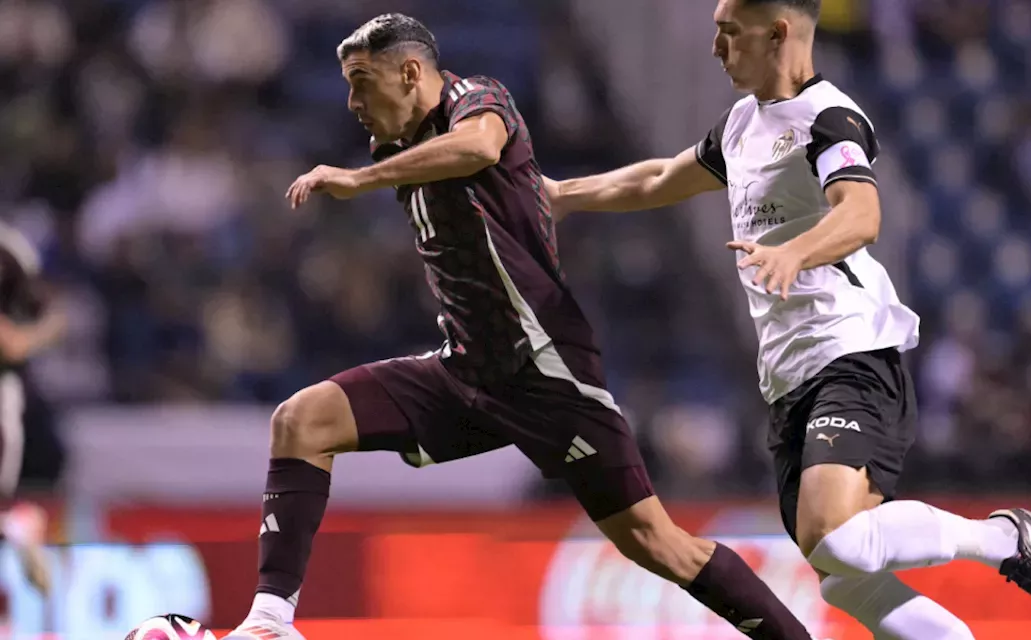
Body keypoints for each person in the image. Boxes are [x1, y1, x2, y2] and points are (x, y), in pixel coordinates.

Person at [224, 13, 820, 640]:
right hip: (465, 371)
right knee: (301, 420)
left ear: (409, 73)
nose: (351, 103)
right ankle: (269, 623)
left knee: (657, 544)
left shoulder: (480, 100)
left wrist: (358, 180)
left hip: (546, 371)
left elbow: (480, 147)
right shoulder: (395, 144)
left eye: (362, 83)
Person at [544, 0, 1031, 637]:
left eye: (729, 34)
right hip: (788, 378)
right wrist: (562, 196)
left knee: (832, 535)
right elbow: (662, 176)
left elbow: (862, 213)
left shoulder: (828, 118)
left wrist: (792, 253)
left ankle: (1001, 536)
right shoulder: (742, 124)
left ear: (777, 33)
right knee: (842, 569)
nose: (716, 49)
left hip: (850, 351)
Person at [0, 221, 67, 596]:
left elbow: (52, 315)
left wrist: (23, 340)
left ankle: (15, 524)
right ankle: (14, 524)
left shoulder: (11, 251)